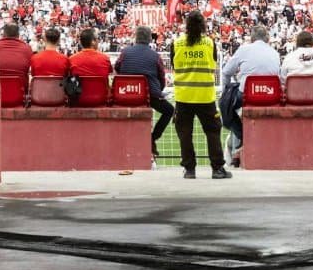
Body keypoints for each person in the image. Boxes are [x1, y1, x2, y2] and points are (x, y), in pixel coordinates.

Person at [171, 11, 231, 179]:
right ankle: (217, 169)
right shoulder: (209, 43)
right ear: (203, 25)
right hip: (205, 96)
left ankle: (189, 170)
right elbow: (213, 66)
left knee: (184, 134)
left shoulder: (176, 43)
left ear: (186, 26)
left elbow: (174, 67)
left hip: (183, 96)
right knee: (213, 132)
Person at [220, 26, 281, 167]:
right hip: (270, 95)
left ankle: (241, 135)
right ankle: (239, 144)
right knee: (234, 105)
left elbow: (226, 73)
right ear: (268, 39)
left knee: (226, 106)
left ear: (252, 38)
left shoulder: (244, 50)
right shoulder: (274, 53)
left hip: (248, 95)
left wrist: (225, 93)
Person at [115, 26, 174, 158]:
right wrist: (158, 91)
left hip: (126, 94)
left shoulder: (125, 52)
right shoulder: (155, 56)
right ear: (149, 39)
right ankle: (152, 138)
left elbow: (117, 68)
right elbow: (161, 78)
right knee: (169, 110)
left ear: (136, 38)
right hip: (149, 96)